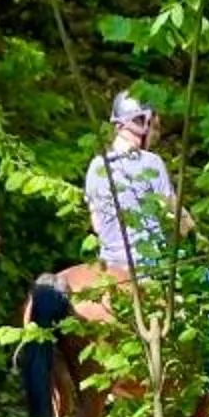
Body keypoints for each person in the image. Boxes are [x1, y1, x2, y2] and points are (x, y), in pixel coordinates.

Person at [85, 89, 180, 282]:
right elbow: (173, 217)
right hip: (148, 267)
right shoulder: (151, 162)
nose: (156, 135)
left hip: (109, 265)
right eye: (154, 127)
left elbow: (97, 225)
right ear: (142, 123)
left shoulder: (96, 166)